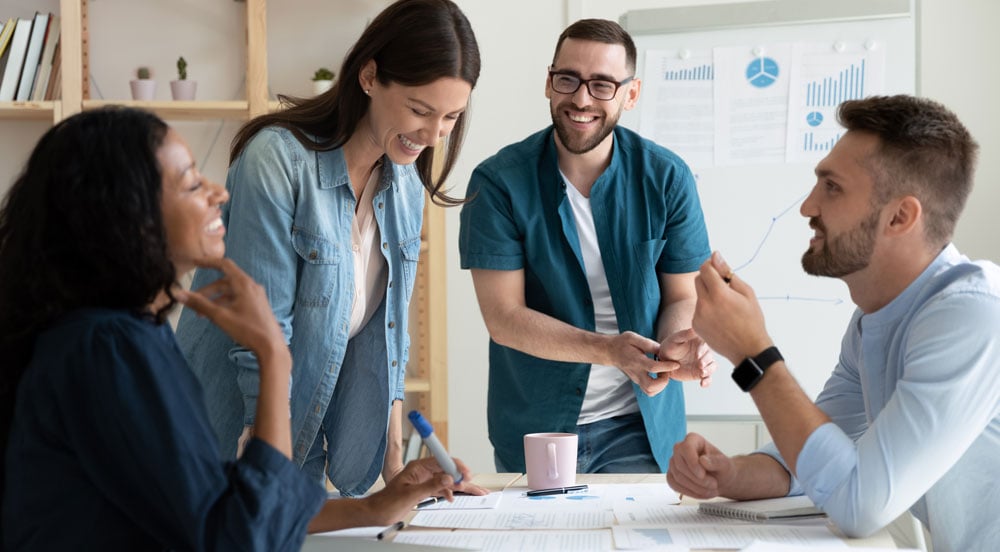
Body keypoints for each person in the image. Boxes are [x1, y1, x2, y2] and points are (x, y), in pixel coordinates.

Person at [0, 107, 480, 550]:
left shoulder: (119, 337)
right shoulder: (108, 350)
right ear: (129, 215)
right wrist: (272, 353)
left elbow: (219, 505)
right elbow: (237, 536)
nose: (219, 193)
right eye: (191, 184)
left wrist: (376, 506)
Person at [668, 95, 1000, 552]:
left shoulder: (973, 315)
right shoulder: (873, 320)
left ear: (900, 217)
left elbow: (859, 504)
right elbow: (819, 455)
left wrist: (753, 353)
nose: (807, 207)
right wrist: (732, 473)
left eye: (832, 188)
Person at [175, 0, 481, 495]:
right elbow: (262, 332)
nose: (432, 134)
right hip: (228, 435)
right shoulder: (277, 161)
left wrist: (396, 469)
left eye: (451, 116)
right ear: (369, 76)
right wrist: (265, 465)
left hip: (303, 434)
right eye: (420, 110)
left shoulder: (403, 181)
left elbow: (391, 335)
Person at [458, 18, 716, 475]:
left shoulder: (667, 177)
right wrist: (610, 350)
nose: (581, 99)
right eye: (568, 79)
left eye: (602, 85)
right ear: (549, 82)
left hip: (639, 424)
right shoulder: (498, 182)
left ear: (630, 95)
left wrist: (673, 346)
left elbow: (683, 295)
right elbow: (504, 319)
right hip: (536, 427)